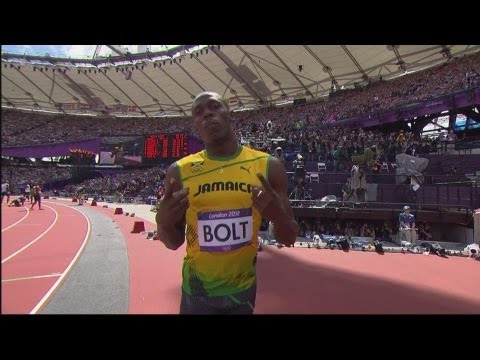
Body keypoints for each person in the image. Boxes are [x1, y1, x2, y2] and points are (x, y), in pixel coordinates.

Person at [156, 91, 298, 315]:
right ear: (195, 124)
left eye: (214, 107)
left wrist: (278, 216)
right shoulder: (179, 172)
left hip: (242, 292)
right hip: (197, 292)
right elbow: (173, 243)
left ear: (229, 113)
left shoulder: (268, 166)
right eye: (199, 112)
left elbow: (288, 238)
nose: (207, 115)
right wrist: (162, 223)